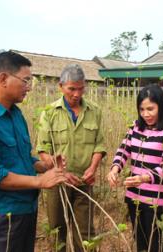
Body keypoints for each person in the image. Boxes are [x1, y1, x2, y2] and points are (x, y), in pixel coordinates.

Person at [0, 50, 67, 252]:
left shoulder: (16, 115)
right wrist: (39, 181)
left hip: (26, 209)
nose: (29, 88)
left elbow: (21, 157)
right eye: (25, 80)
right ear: (3, 79)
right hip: (1, 216)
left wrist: (44, 165)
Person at [36, 63, 106, 252]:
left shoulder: (95, 111)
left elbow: (99, 145)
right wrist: (60, 172)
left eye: (81, 88)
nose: (77, 94)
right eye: (72, 89)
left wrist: (93, 168)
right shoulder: (49, 112)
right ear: (61, 86)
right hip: (57, 183)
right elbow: (42, 149)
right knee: (57, 232)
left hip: (84, 182)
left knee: (85, 235)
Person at [107, 84, 163, 252]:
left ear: (160, 106)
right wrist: (114, 168)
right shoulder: (135, 127)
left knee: (155, 245)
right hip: (134, 194)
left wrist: (143, 178)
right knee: (140, 242)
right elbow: (124, 149)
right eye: (142, 109)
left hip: (156, 199)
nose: (146, 114)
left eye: (150, 109)